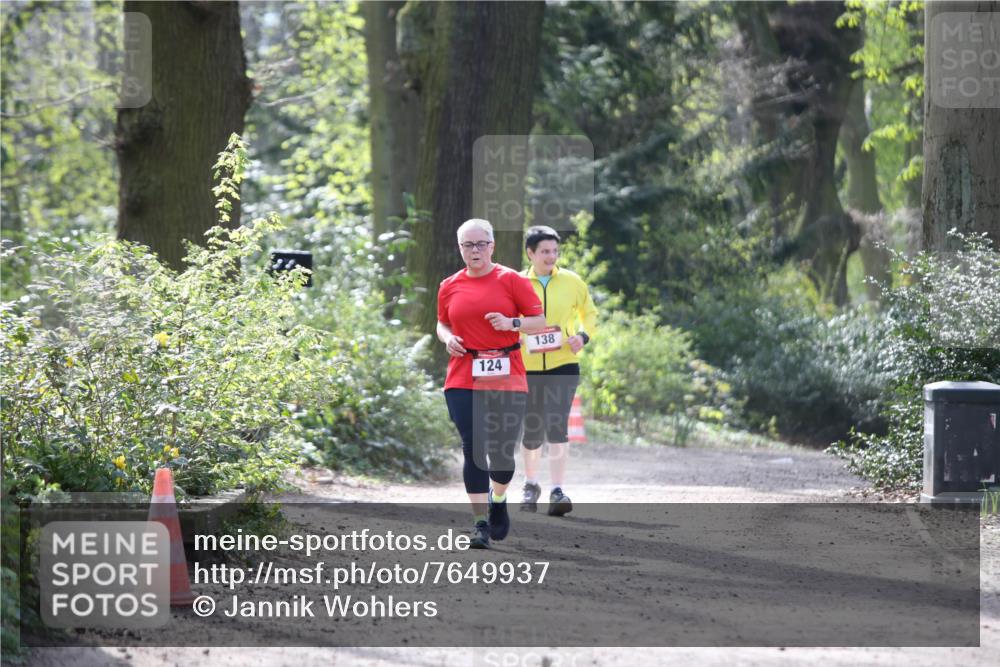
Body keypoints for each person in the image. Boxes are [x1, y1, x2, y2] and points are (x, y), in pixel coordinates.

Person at [437, 218, 546, 548]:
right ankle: (479, 522)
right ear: (460, 249)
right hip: (463, 373)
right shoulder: (449, 285)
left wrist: (511, 321)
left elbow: (538, 322)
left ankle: (498, 498)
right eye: (467, 245)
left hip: (506, 372)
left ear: (492, 246)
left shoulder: (511, 280)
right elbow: (441, 323)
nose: (475, 251)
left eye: (481, 244)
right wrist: (447, 338)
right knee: (473, 447)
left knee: (500, 452)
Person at [519, 225, 597, 516]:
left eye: (554, 251)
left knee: (556, 424)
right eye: (545, 251)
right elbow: (507, 319)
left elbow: (589, 315)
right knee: (532, 428)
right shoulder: (514, 282)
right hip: (527, 366)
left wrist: (582, 336)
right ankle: (530, 485)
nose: (551, 257)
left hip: (564, 363)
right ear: (531, 253)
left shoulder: (572, 281)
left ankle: (557, 490)